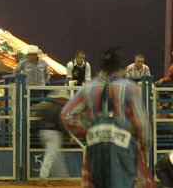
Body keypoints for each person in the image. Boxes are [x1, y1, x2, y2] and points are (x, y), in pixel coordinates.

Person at [61, 46, 155, 188]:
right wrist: (144, 149)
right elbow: (141, 124)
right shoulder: (129, 87)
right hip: (123, 144)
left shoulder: (89, 87)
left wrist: (86, 132)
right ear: (121, 68)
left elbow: (66, 114)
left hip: (95, 142)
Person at [31, 90, 70, 185]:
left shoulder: (47, 107)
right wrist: (68, 135)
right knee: (50, 156)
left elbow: (39, 120)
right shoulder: (60, 109)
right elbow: (61, 124)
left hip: (43, 132)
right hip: (53, 133)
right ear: (61, 99)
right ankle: (43, 178)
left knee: (53, 155)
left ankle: (59, 175)